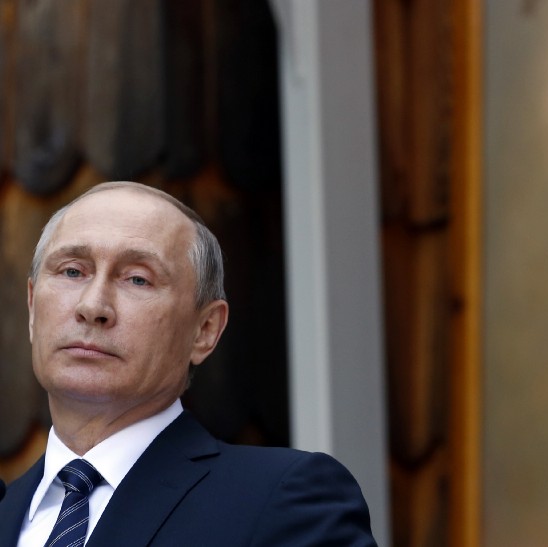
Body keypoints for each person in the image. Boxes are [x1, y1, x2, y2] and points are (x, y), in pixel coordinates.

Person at [0, 181, 377, 546]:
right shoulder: (7, 511)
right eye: (72, 271)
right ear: (33, 308)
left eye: (137, 279)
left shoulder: (281, 500)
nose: (92, 307)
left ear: (205, 330)